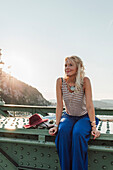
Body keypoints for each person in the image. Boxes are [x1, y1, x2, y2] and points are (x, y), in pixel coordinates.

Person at [49, 55, 100, 170]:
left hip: (84, 117)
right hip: (68, 117)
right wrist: (56, 125)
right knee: (63, 133)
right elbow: (59, 105)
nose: (67, 68)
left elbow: (89, 105)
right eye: (65, 65)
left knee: (78, 133)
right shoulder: (60, 81)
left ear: (78, 67)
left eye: (71, 65)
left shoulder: (85, 81)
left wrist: (94, 127)